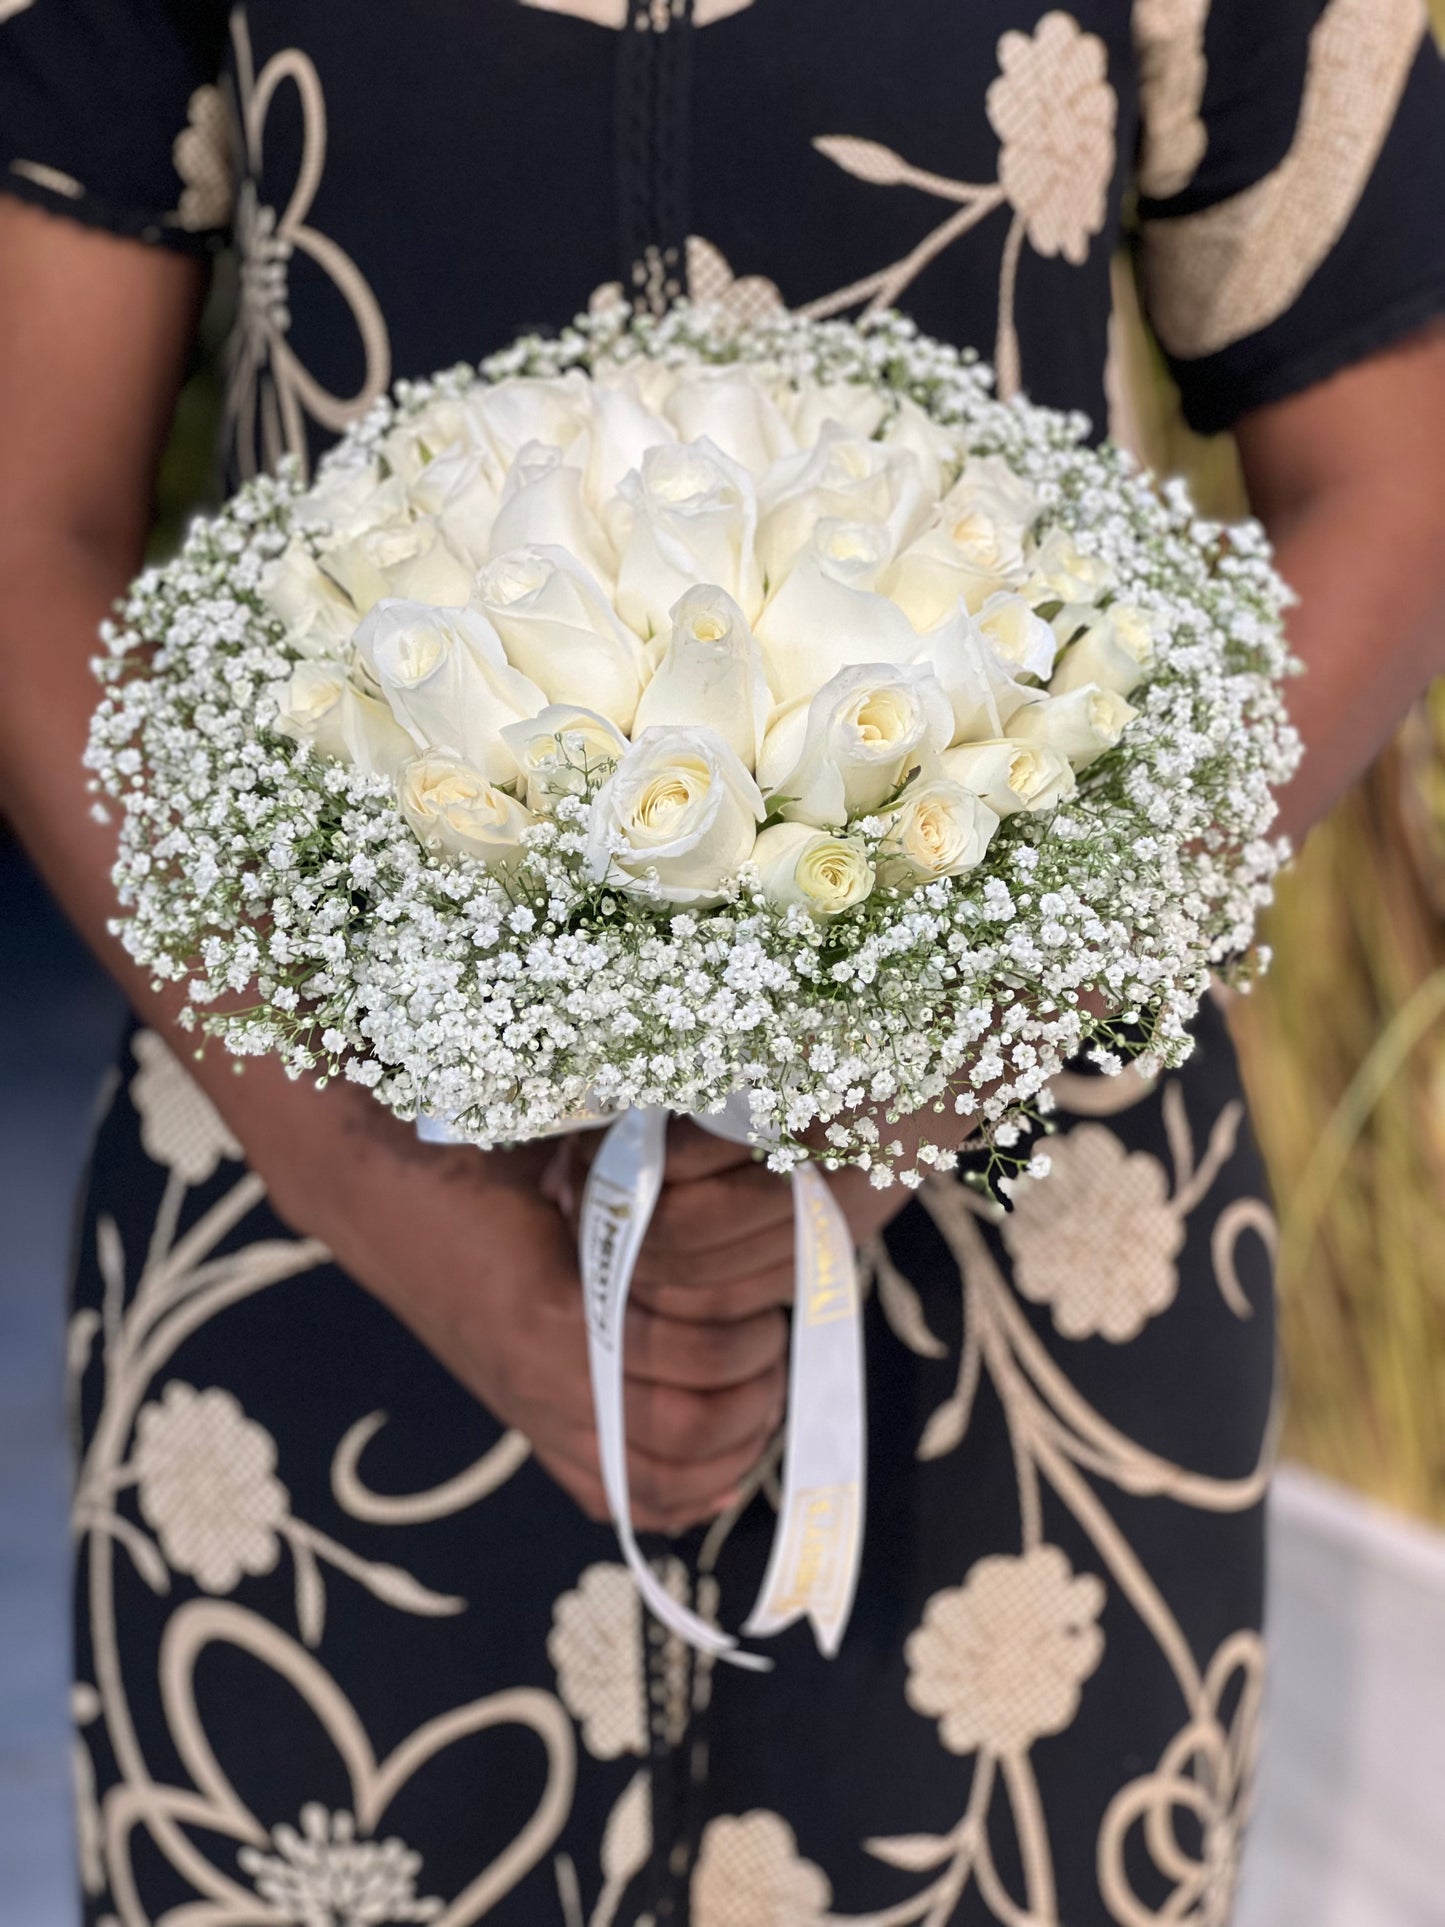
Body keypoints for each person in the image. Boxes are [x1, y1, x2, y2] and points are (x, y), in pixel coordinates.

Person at [2, 4, 1444, 1922]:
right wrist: (403, 1202)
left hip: (1025, 1229)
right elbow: (32, 530)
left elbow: (1394, 477)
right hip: (315, 1206)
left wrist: (919, 1078)